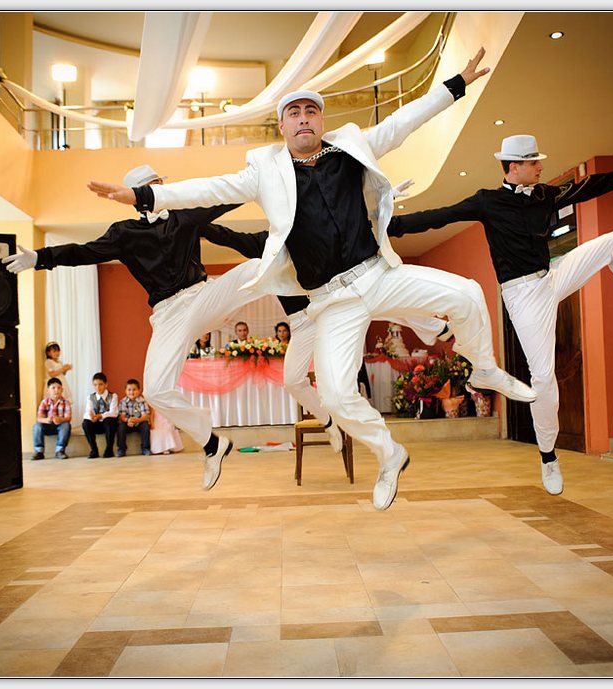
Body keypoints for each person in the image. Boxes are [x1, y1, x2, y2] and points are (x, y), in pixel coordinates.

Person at [88, 49, 534, 511]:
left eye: (311, 111)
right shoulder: (265, 173)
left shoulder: (351, 150)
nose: (303, 118)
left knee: (468, 293)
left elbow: (402, 122)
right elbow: (208, 188)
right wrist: (142, 195)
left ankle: (483, 366)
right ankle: (389, 454)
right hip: (332, 301)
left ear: (321, 121)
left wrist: (455, 86)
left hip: (377, 275)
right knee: (337, 397)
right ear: (282, 127)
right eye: (294, 113)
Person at [387, 133, 613, 495]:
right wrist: (387, 218)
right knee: (544, 379)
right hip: (523, 296)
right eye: (534, 162)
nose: (540, 166)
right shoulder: (487, 201)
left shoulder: (544, 194)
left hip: (552, 275)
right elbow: (438, 217)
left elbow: (586, 187)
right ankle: (548, 457)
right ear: (514, 167)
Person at [6, 164, 264, 488]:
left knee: (258, 267)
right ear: (138, 195)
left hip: (201, 296)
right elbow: (84, 252)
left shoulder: (185, 215)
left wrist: (259, 179)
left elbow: (222, 199)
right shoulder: (124, 233)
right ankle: (212, 443)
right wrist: (40, 258)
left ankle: (311, 286)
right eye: (154, 185)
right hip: (168, 314)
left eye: (161, 184)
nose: (161, 189)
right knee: (155, 390)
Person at [200, 222, 449, 454]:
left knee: (379, 302)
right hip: (301, 323)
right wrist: (198, 224)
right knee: (292, 381)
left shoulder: (309, 234)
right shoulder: (264, 243)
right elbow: (228, 237)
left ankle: (435, 326)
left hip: (326, 306)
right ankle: (329, 422)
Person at [32, 377, 72, 460]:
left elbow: (68, 417)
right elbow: (39, 417)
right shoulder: (44, 402)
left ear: (62, 390)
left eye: (59, 388)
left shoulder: (66, 402)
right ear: (48, 390)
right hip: (48, 426)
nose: (56, 390)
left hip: (60, 426)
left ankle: (60, 450)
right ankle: (39, 452)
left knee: (66, 425)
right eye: (53, 388)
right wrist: (46, 420)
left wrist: (61, 419)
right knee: (37, 426)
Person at [81, 371, 119, 458]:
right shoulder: (90, 397)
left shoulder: (113, 396)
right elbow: (88, 411)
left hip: (108, 425)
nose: (98, 387)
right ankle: (94, 450)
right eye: (95, 385)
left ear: (106, 384)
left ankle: (109, 449)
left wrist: (101, 416)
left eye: (100, 384)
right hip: (96, 424)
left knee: (109, 420)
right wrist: (91, 416)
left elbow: (114, 412)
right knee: (86, 423)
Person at [117, 378, 151, 457]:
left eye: (134, 389)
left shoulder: (142, 401)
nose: (131, 392)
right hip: (127, 423)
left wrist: (137, 420)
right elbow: (122, 416)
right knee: (121, 427)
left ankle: (145, 448)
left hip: (139, 423)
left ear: (139, 390)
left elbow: (146, 416)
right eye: (129, 390)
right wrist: (128, 420)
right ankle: (121, 449)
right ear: (125, 391)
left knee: (145, 426)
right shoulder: (123, 401)